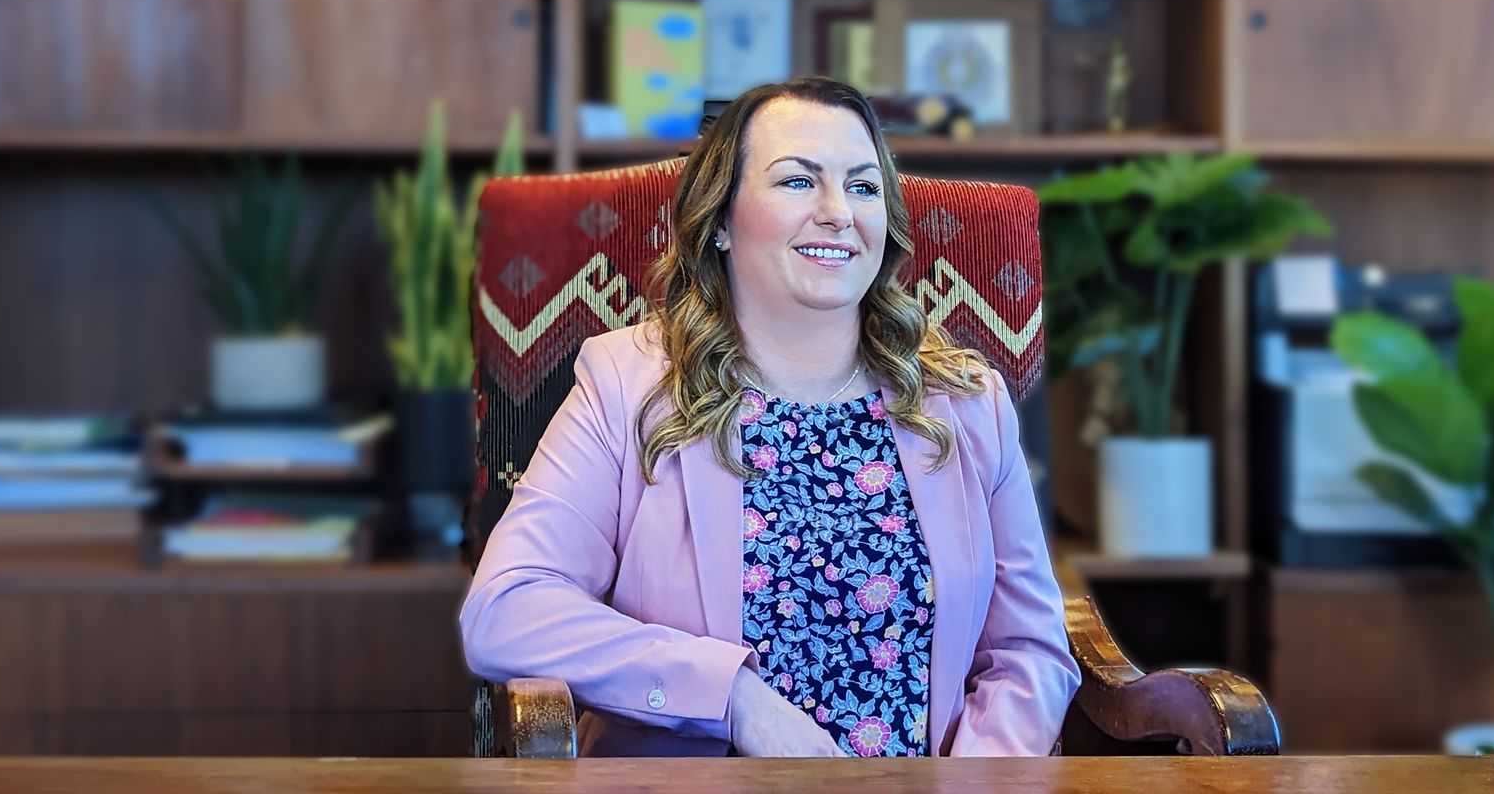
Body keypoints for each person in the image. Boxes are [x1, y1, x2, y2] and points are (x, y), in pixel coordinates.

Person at [459, 76, 1080, 758]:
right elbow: (508, 608)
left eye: (864, 186)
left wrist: (969, 784)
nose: (839, 212)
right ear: (720, 222)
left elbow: (1029, 653)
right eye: (797, 182)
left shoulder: (965, 402)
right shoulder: (627, 383)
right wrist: (730, 698)